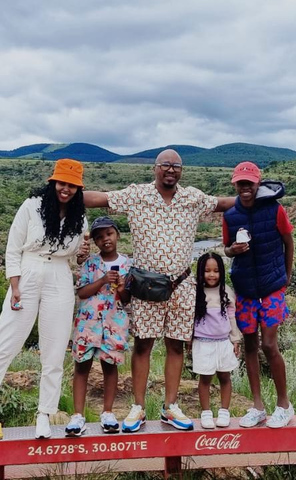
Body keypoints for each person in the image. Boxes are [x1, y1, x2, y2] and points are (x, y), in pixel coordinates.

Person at [83, 150, 234, 433]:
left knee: (176, 344)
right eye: (165, 165)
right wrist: (62, 193)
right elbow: (100, 199)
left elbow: (224, 203)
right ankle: (138, 408)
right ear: (155, 168)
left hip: (182, 285)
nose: (171, 170)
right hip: (146, 286)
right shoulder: (136, 194)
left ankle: (170, 406)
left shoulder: (193, 198)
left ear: (181, 170)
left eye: (176, 166)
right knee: (143, 343)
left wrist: (257, 198)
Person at [0, 159, 88, 443]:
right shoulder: (31, 206)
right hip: (28, 273)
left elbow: (73, 257)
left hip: (59, 278)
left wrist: (80, 253)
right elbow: (13, 248)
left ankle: (44, 414)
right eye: (61, 183)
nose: (65, 189)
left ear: (78, 188)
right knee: (4, 346)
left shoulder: (79, 217)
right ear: (52, 182)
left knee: (54, 351)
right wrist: (15, 285)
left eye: (71, 185)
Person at [222, 161, 295, 429]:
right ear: (235, 184)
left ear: (257, 184)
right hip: (245, 289)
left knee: (269, 345)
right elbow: (227, 247)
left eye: (249, 184)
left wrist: (286, 278)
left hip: (272, 286)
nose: (244, 188)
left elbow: (289, 242)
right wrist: (232, 252)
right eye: (240, 184)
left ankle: (284, 405)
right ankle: (258, 407)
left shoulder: (274, 209)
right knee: (250, 346)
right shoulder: (230, 215)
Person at [65, 217, 132, 437]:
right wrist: (103, 280)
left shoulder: (127, 264)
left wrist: (121, 287)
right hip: (88, 323)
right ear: (95, 241)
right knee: (82, 367)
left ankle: (108, 413)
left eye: (109, 234)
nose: (106, 240)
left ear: (117, 235)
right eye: (100, 237)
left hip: (114, 323)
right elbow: (82, 292)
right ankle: (77, 416)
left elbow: (126, 298)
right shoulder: (90, 264)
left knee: (110, 366)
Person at [192, 252, 241, 429]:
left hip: (223, 342)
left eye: (216, 271)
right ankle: (206, 414)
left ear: (221, 271)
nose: (212, 275)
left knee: (225, 377)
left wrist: (235, 338)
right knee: (205, 379)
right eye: (207, 271)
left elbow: (232, 316)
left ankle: (224, 412)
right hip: (203, 342)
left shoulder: (226, 291)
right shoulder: (196, 291)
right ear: (200, 272)